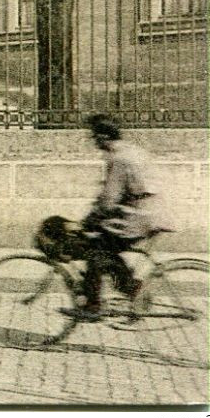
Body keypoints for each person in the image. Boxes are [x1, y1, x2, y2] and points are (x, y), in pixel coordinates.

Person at [70, 114, 170, 320]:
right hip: (153, 211)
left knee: (97, 251)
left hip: (139, 216)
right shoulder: (132, 151)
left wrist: (89, 219)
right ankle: (128, 289)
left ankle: (97, 304)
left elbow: (109, 199)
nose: (94, 141)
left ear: (104, 137)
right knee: (106, 249)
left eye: (94, 136)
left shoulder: (119, 159)